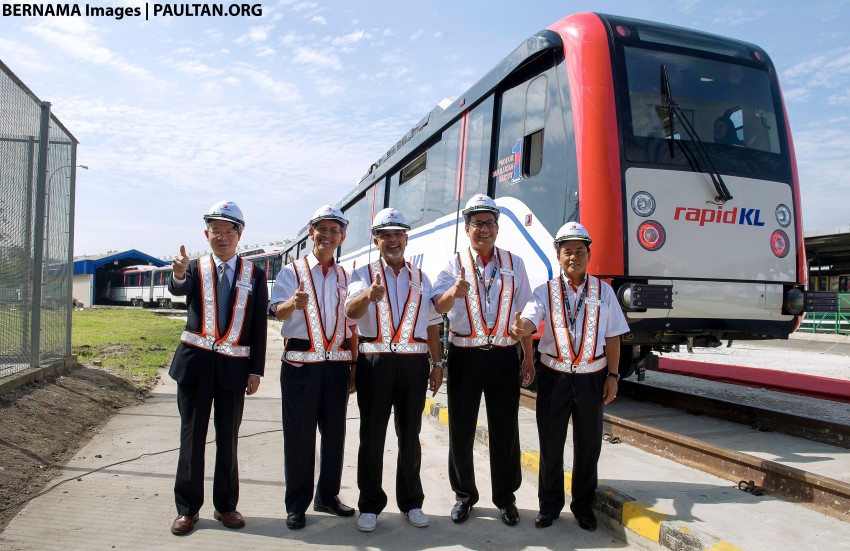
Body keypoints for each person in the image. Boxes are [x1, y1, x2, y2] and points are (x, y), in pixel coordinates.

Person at [509, 221, 629, 531]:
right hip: (555, 377)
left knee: (588, 445)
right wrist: (522, 329)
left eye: (579, 251)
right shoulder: (544, 291)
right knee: (551, 444)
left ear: (589, 255)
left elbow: (614, 336)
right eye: (567, 252)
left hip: (592, 377)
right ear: (558, 256)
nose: (573, 257)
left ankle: (582, 506)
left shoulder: (604, 292)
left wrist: (613, 375)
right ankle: (549, 506)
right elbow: (530, 321)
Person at [432, 194, 535, 527]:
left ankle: (506, 498)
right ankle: (464, 496)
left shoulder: (514, 263)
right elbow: (439, 307)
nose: (484, 229)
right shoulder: (453, 264)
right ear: (467, 228)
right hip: (465, 356)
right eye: (477, 223)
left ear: (497, 227)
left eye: (489, 223)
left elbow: (526, 313)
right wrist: (454, 293)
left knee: (505, 431)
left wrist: (528, 358)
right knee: (461, 429)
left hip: (505, 356)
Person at [168, 200, 268, 536]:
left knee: (228, 439)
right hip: (195, 368)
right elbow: (179, 287)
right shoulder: (195, 268)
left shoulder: (255, 274)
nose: (222, 237)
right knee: (192, 438)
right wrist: (179, 273)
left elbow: (257, 325)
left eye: (228, 231)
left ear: (240, 234)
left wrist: (256, 370)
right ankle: (187, 510)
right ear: (206, 234)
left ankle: (226, 505)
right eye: (216, 231)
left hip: (233, 371)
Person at [345, 207, 444, 533]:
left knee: (410, 436)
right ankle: (370, 505)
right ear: (376, 240)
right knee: (371, 437)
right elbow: (350, 312)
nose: (392, 240)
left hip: (414, 365)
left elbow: (432, 325)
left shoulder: (421, 277)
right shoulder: (362, 274)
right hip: (375, 364)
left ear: (406, 238)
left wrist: (437, 363)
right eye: (385, 235)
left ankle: (412, 502)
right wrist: (366, 296)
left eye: (398, 234)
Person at [269, 205, 358, 531]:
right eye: (322, 229)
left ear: (342, 236)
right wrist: (294, 303)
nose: (328, 235)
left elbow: (350, 325)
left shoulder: (345, 276)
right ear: (312, 233)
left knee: (335, 435)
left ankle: (328, 496)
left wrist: (354, 363)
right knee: (299, 437)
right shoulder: (292, 272)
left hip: (335, 368)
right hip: (300, 367)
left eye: (334, 230)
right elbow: (275, 310)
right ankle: (297, 504)